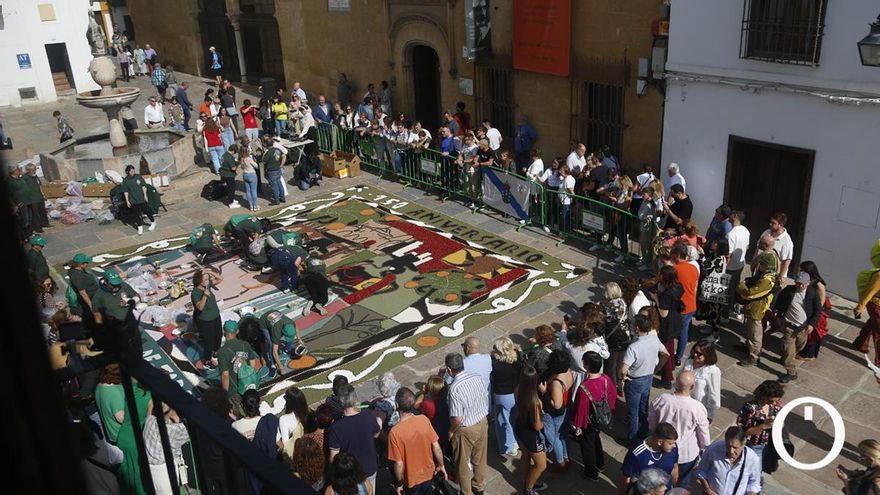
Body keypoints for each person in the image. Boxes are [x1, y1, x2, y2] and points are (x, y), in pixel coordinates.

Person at [647, 371, 710, 489]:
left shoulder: (662, 399)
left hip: (663, 448)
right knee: (683, 483)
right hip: (686, 454)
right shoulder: (697, 408)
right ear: (692, 387)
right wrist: (704, 449)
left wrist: (655, 435)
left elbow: (651, 421)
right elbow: (703, 434)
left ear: (676, 384)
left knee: (659, 481)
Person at [620, 314, 669, 445]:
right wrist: (657, 369)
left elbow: (623, 369)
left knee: (633, 413)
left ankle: (632, 439)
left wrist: (622, 376)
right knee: (643, 408)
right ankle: (643, 432)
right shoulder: (654, 339)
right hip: (648, 378)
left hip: (634, 381)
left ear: (637, 328)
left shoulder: (634, 347)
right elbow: (666, 354)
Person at [388, 387, 447, 495]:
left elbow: (398, 463)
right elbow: (436, 446)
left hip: (411, 478)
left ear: (397, 405)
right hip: (428, 473)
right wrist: (441, 464)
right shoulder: (423, 420)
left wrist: (399, 483)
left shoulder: (395, 432)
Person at [446, 352, 490, 495]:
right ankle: (479, 487)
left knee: (463, 464)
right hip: (482, 421)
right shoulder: (476, 377)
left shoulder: (455, 388)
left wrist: (451, 431)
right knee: (480, 459)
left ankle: (467, 492)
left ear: (449, 369)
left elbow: (457, 418)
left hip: (466, 428)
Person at [570, 351, 617, 481]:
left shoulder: (584, 387)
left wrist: (578, 426)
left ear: (587, 366)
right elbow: (612, 398)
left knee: (587, 446)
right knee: (596, 440)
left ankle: (591, 472)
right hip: (601, 418)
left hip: (589, 421)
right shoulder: (606, 379)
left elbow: (581, 409)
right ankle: (600, 464)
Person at [329, 384, 382, 489]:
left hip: (349, 474)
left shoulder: (336, 428)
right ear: (355, 400)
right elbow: (376, 434)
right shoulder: (369, 416)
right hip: (369, 468)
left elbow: (333, 458)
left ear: (340, 402)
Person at [772, 270, 822, 383]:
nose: (799, 285)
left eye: (802, 283)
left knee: (799, 346)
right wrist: (778, 312)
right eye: (798, 283)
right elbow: (779, 300)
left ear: (808, 283)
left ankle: (786, 358)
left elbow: (818, 310)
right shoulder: (789, 290)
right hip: (789, 326)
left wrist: (812, 324)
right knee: (789, 349)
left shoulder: (813, 294)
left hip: (803, 328)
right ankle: (791, 372)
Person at [511, 364, 548, 495]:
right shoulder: (535, 402)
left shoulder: (518, 389)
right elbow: (538, 426)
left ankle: (526, 480)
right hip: (531, 435)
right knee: (541, 465)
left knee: (526, 456)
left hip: (519, 428)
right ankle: (528, 488)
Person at [736, 252, 777, 367]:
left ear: (766, 266)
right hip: (753, 308)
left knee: (755, 334)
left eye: (761, 265)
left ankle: (754, 357)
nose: (760, 267)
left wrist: (741, 285)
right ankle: (748, 348)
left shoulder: (767, 281)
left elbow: (750, 293)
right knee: (750, 330)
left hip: (757, 310)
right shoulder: (765, 275)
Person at [697, 426, 762, 495]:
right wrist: (708, 490)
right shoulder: (713, 449)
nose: (731, 451)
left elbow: (754, 483)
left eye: (735, 447)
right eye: (728, 446)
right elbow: (702, 470)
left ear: (743, 445)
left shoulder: (752, 459)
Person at [143, 403, 190, 494]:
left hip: (149, 471)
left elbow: (150, 409)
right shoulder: (173, 431)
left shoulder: (150, 420)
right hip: (164, 474)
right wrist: (176, 416)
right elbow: (189, 430)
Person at [620, 422, 679, 494]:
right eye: (670, 443)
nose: (674, 446)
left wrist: (676, 486)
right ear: (659, 442)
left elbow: (674, 467)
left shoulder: (673, 449)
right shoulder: (637, 454)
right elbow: (626, 478)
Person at [736, 380, 785, 465]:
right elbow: (745, 432)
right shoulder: (751, 408)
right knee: (755, 470)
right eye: (771, 401)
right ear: (763, 396)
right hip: (756, 445)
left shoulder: (776, 405)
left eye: (777, 400)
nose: (774, 403)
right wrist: (764, 425)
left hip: (771, 443)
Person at [539, 350, 573, 470]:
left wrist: (544, 392)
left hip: (558, 414)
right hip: (567, 406)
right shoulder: (568, 371)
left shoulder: (556, 383)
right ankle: (566, 457)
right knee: (564, 435)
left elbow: (556, 404)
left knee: (556, 437)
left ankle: (560, 462)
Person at [490, 336, 522, 456]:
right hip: (517, 393)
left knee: (504, 421)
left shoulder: (496, 364)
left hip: (503, 396)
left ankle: (509, 446)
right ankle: (515, 439)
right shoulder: (517, 357)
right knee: (514, 417)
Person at [218, 319, 258, 412]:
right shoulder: (245, 344)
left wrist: (224, 394)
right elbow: (252, 365)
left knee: (234, 414)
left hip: (234, 390)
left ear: (224, 332)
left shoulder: (222, 351)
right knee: (252, 409)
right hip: (248, 384)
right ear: (237, 331)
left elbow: (225, 375)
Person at [655, 265, 684, 389]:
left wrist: (656, 299)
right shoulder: (678, 286)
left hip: (667, 325)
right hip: (676, 320)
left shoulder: (667, 293)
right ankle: (670, 366)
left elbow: (663, 313)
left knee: (664, 351)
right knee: (671, 346)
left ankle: (667, 379)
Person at [681, 340, 722, 422]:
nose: (695, 355)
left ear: (708, 355)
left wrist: (709, 416)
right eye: (695, 351)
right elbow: (680, 378)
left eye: (699, 354)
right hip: (682, 404)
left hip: (697, 410)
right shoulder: (689, 362)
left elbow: (714, 395)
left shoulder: (712, 371)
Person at [798, 260, 831, 360]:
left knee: (814, 335)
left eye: (802, 270)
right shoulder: (809, 280)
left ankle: (808, 355)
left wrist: (812, 314)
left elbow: (821, 302)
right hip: (809, 309)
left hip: (816, 312)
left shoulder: (818, 284)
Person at [191, 268, 223, 368]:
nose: (208, 280)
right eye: (205, 279)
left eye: (208, 278)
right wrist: (205, 295)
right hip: (205, 320)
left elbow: (220, 278)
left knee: (219, 336)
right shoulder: (195, 293)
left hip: (215, 316)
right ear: (199, 282)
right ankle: (207, 360)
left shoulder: (208, 285)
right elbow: (199, 307)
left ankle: (216, 352)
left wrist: (209, 272)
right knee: (209, 341)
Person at [855, 240, 880, 367]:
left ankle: (860, 344)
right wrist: (860, 306)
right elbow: (870, 292)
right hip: (876, 305)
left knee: (872, 324)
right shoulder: (879, 275)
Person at [726, 210, 751, 317]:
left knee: (728, 291)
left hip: (730, 267)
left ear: (735, 216)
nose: (729, 216)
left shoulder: (731, 234)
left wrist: (724, 267)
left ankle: (727, 313)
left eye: (731, 214)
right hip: (740, 265)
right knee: (736, 287)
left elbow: (729, 254)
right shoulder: (746, 230)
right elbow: (747, 246)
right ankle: (736, 309)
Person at [757, 212, 795, 281]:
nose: (770, 224)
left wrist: (780, 276)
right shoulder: (766, 232)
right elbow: (758, 248)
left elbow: (786, 260)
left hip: (773, 276)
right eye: (770, 222)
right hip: (760, 271)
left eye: (773, 223)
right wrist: (753, 265)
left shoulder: (787, 241)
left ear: (780, 225)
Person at [67, 252, 99, 324]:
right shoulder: (77, 276)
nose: (88, 264)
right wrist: (91, 306)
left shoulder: (80, 270)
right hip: (88, 300)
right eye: (86, 262)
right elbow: (82, 293)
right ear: (81, 264)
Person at [279, 386, 312, 453]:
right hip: (311, 447)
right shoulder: (311, 413)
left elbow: (286, 445)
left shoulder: (284, 419)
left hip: (298, 451)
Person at [23, 163, 49, 233]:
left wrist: (43, 194)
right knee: (35, 213)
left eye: (35, 170)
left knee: (42, 211)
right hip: (32, 199)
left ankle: (45, 223)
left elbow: (39, 185)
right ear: (28, 170)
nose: (34, 171)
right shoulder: (25, 177)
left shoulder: (35, 176)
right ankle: (37, 227)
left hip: (39, 196)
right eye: (33, 170)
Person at [262, 135, 288, 205]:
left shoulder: (268, 153)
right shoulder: (277, 150)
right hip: (278, 169)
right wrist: (281, 165)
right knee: (279, 184)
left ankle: (277, 201)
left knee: (274, 186)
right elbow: (284, 156)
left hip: (271, 171)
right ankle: (282, 198)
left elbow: (263, 161)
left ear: (267, 145)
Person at [219, 143, 241, 209]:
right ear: (234, 150)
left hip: (223, 174)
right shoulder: (229, 157)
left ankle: (232, 199)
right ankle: (231, 203)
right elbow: (233, 168)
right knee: (231, 188)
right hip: (229, 175)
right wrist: (237, 165)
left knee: (229, 188)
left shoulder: (224, 155)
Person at [238, 146, 260, 211]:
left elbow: (241, 167)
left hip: (245, 174)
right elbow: (256, 165)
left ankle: (251, 206)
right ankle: (255, 206)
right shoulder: (249, 158)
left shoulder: (241, 159)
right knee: (253, 191)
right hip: (252, 174)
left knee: (248, 191)